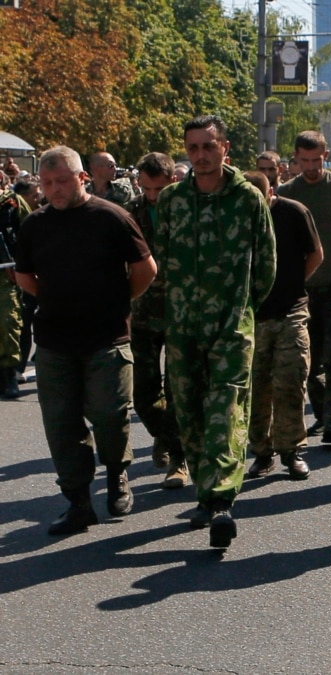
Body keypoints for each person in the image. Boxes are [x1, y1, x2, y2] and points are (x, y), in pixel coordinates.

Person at [13, 145, 156, 535]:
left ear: (81, 178)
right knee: (61, 423)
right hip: (55, 341)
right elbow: (24, 276)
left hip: (106, 336)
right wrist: (54, 299)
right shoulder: (35, 225)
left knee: (110, 414)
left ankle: (116, 476)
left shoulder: (111, 217)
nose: (55, 190)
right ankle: (77, 501)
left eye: (63, 181)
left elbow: (145, 268)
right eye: (47, 183)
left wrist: (118, 300)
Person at [158, 115, 276, 548]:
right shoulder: (171, 200)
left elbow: (266, 266)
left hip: (230, 327)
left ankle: (222, 500)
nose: (201, 156)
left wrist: (241, 309)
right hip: (183, 327)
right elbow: (162, 258)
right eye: (193, 148)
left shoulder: (247, 198)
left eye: (209, 146)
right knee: (188, 411)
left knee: (225, 409)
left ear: (225, 148)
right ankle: (206, 493)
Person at [277, 131, 331, 446]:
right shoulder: (288, 192)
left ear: (325, 155)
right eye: (304, 160)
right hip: (303, 288)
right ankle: (324, 412)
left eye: (316, 160)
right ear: (296, 158)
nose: (310, 166)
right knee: (308, 360)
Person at [243, 170, 323, 481]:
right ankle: (262, 452)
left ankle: (292, 450)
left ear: (271, 193)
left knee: (290, 380)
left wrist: (293, 283)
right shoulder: (238, 216)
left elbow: (316, 253)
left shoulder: (293, 212)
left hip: (291, 310)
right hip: (254, 315)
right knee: (256, 385)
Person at [127, 152, 189, 489]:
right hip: (143, 311)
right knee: (142, 394)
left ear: (172, 181)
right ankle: (166, 435)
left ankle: (179, 460)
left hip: (181, 311)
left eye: (159, 189)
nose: (152, 195)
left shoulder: (186, 208)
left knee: (177, 389)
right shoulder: (131, 211)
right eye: (147, 188)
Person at [0, 183, 31, 398]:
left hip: (6, 274)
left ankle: (9, 373)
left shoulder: (12, 202)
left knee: (8, 321)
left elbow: (31, 231)